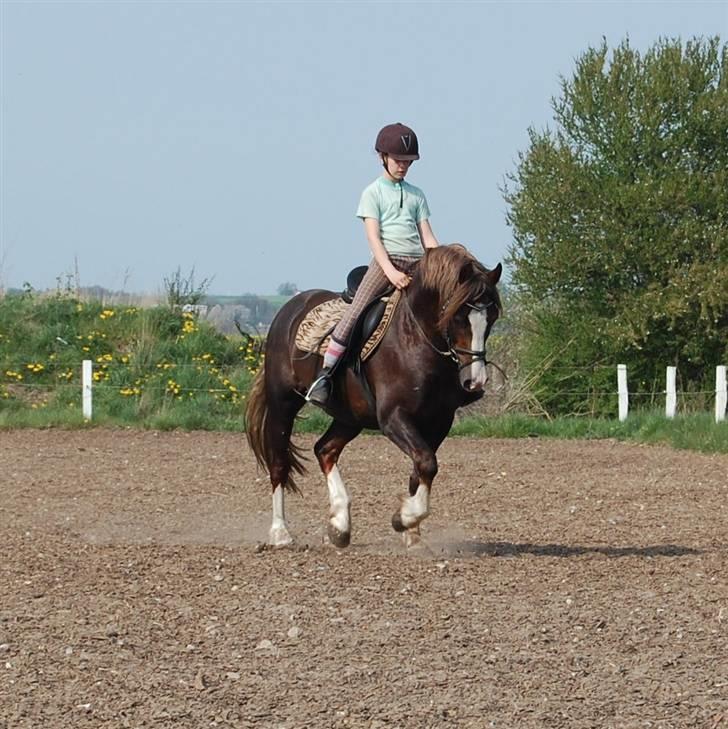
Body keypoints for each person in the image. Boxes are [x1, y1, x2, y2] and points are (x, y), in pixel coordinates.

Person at [306, 122, 440, 405]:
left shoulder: (417, 194)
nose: (403, 166)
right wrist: (391, 272)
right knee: (354, 314)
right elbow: (374, 239)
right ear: (383, 157)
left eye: (408, 162)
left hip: (418, 263)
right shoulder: (372, 193)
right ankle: (325, 376)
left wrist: (443, 267)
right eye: (398, 160)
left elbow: (428, 237)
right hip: (385, 262)